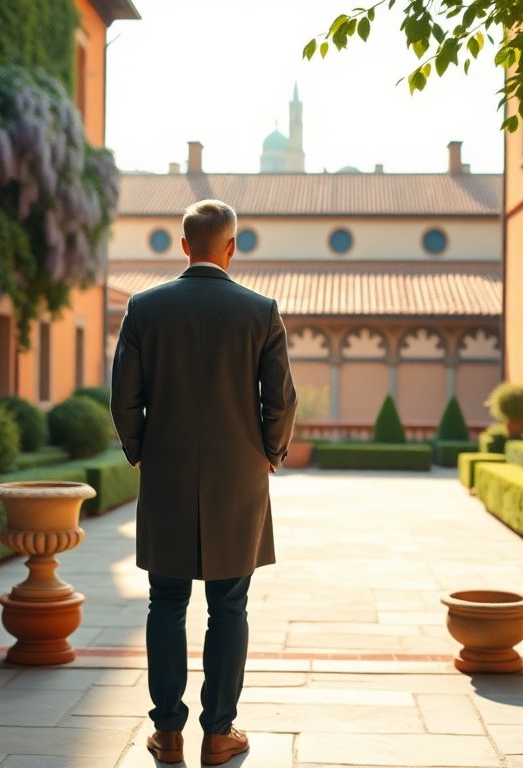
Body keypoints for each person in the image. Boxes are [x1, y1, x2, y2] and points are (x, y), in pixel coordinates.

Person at [110, 198, 297, 765]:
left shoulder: (144, 308)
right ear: (232, 247)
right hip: (238, 478)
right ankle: (220, 734)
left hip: (165, 474)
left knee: (164, 601)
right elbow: (280, 401)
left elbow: (124, 398)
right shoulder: (260, 312)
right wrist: (269, 454)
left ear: (184, 244)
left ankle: (167, 734)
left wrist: (141, 453)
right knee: (229, 605)